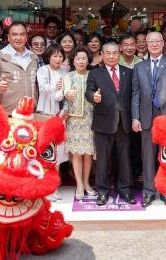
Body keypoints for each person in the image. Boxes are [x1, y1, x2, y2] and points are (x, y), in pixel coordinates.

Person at [132, 31, 166, 207]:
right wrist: (135, 117)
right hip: (147, 116)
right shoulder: (140, 67)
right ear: (146, 44)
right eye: (150, 42)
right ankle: (148, 191)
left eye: (157, 41)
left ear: (163, 44)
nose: (154, 44)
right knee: (147, 155)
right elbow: (135, 94)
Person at [86, 41, 136, 206]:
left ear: (120, 53)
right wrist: (94, 97)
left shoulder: (129, 72)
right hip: (104, 121)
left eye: (115, 52)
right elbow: (89, 91)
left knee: (125, 158)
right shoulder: (95, 73)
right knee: (103, 160)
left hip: (125, 121)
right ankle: (103, 191)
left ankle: (125, 189)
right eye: (108, 53)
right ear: (102, 54)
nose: (112, 56)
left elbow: (135, 95)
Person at [62, 46, 97, 200]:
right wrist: (68, 95)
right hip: (74, 119)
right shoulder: (68, 76)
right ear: (73, 61)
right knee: (76, 154)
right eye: (78, 58)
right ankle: (79, 185)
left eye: (84, 58)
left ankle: (86, 182)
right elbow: (66, 94)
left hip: (90, 118)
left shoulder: (93, 75)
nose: (81, 61)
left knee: (88, 153)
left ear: (88, 60)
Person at [0, 22, 39, 115]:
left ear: (26, 37)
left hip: (30, 112)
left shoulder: (33, 57)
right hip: (7, 113)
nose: (18, 38)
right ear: (8, 37)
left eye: (22, 34)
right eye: (14, 34)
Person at [37, 44, 67, 201]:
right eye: (55, 56)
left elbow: (67, 92)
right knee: (47, 152)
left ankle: (54, 186)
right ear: (48, 57)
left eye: (60, 56)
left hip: (60, 116)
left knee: (58, 153)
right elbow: (42, 88)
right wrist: (54, 87)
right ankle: (45, 187)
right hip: (46, 115)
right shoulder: (43, 70)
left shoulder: (64, 71)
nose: (58, 58)